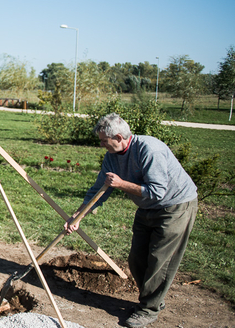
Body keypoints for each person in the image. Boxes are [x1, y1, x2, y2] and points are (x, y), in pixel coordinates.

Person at [65, 113, 197, 328]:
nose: (101, 145)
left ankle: (149, 309)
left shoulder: (149, 150)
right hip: (146, 208)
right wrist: (77, 216)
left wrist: (121, 184)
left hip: (174, 206)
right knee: (137, 259)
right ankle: (153, 298)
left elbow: (157, 192)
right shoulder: (112, 156)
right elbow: (100, 189)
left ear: (119, 137)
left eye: (104, 141)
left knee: (159, 261)